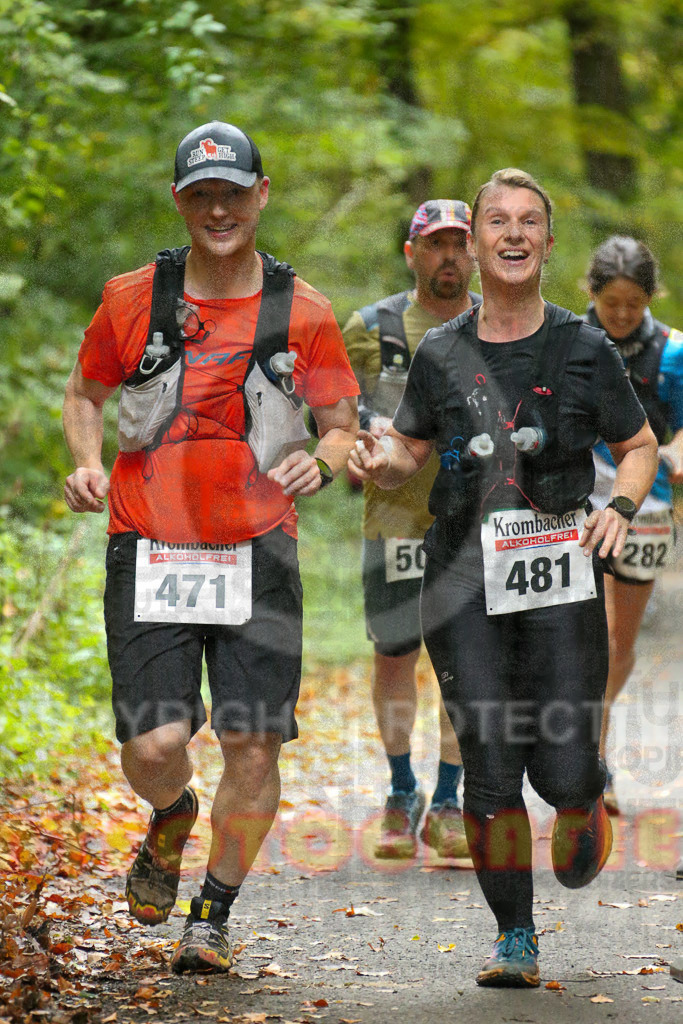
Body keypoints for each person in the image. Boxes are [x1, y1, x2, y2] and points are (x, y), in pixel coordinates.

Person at [62, 121, 360, 975]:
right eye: (202, 195)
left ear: (261, 195)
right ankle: (172, 812)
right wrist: (87, 464)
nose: (219, 209)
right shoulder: (133, 299)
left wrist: (320, 461)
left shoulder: (303, 311)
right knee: (154, 745)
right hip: (150, 544)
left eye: (233, 192)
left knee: (253, 743)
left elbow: (340, 424)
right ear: (179, 201)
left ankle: (212, 915)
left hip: (258, 548)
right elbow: (84, 395)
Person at [349, 169, 658, 988]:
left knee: (560, 769)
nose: (512, 233)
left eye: (527, 221)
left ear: (547, 243)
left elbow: (636, 447)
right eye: (496, 221)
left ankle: (581, 795)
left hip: (559, 579)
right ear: (478, 241)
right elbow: (408, 450)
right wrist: (381, 459)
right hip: (460, 583)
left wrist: (619, 507)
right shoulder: (440, 351)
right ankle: (513, 937)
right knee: (487, 766)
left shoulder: (583, 347)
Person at [343, 200, 480, 860]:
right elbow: (335, 412)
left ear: (474, 253)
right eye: (434, 244)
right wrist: (352, 442)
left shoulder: (499, 323)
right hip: (394, 521)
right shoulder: (371, 327)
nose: (447, 256)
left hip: (475, 525)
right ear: (411, 252)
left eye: (458, 244)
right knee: (394, 656)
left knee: (464, 663)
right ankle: (402, 791)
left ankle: (449, 800)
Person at [583, 236, 683, 814]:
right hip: (581, 505)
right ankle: (592, 763)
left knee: (621, 641)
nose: (621, 315)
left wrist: (676, 452)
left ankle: (595, 741)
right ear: (591, 293)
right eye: (611, 303)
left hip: (648, 508)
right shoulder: (567, 339)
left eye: (634, 304)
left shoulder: (673, 351)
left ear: (652, 298)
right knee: (594, 638)